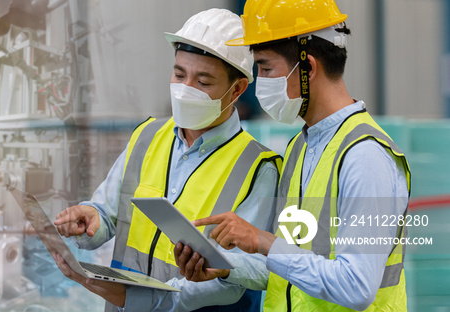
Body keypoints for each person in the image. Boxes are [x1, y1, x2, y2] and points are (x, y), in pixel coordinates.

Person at [176, 1, 411, 311]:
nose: (259, 81)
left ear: (308, 68)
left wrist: (262, 240)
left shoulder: (364, 157)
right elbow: (291, 267)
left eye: (266, 67)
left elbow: (357, 286)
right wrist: (228, 266)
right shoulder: (301, 148)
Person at [51, 9, 282, 311]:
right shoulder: (147, 135)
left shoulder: (258, 168)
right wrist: (91, 219)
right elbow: (106, 212)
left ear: (236, 89)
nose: (186, 90)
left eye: (203, 81)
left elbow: (248, 272)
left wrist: (142, 300)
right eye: (179, 74)